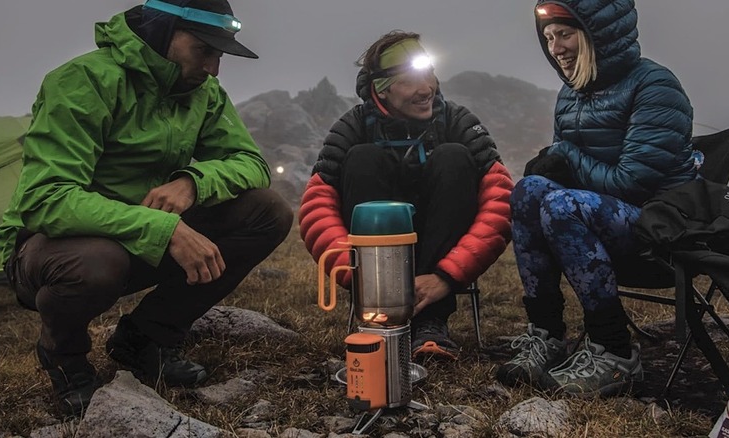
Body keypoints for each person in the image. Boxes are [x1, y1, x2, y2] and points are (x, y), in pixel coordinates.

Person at [0, 0, 293, 416]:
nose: (213, 68)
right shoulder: (84, 80)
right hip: (49, 250)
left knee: (267, 210)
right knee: (97, 263)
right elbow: (47, 199)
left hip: (134, 243)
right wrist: (164, 229)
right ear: (162, 32)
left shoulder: (202, 93)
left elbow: (252, 164)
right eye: (204, 50)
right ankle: (64, 356)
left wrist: (194, 182)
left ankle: (144, 339)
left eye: (219, 54)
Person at [496, 0, 697, 397]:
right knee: (528, 191)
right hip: (602, 221)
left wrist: (566, 157)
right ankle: (547, 334)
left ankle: (615, 352)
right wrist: (552, 166)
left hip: (659, 229)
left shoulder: (655, 86)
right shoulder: (570, 95)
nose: (556, 48)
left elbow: (630, 183)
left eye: (566, 34)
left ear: (598, 35)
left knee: (560, 203)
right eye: (550, 38)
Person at [299, 30, 513, 360]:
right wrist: (354, 273)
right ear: (380, 91)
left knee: (454, 157)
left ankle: (430, 322)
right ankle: (382, 317)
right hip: (378, 264)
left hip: (441, 246)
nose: (426, 88)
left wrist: (446, 276)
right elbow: (317, 209)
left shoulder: (456, 121)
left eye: (429, 75)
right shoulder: (352, 127)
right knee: (362, 158)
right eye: (410, 81)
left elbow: (500, 202)